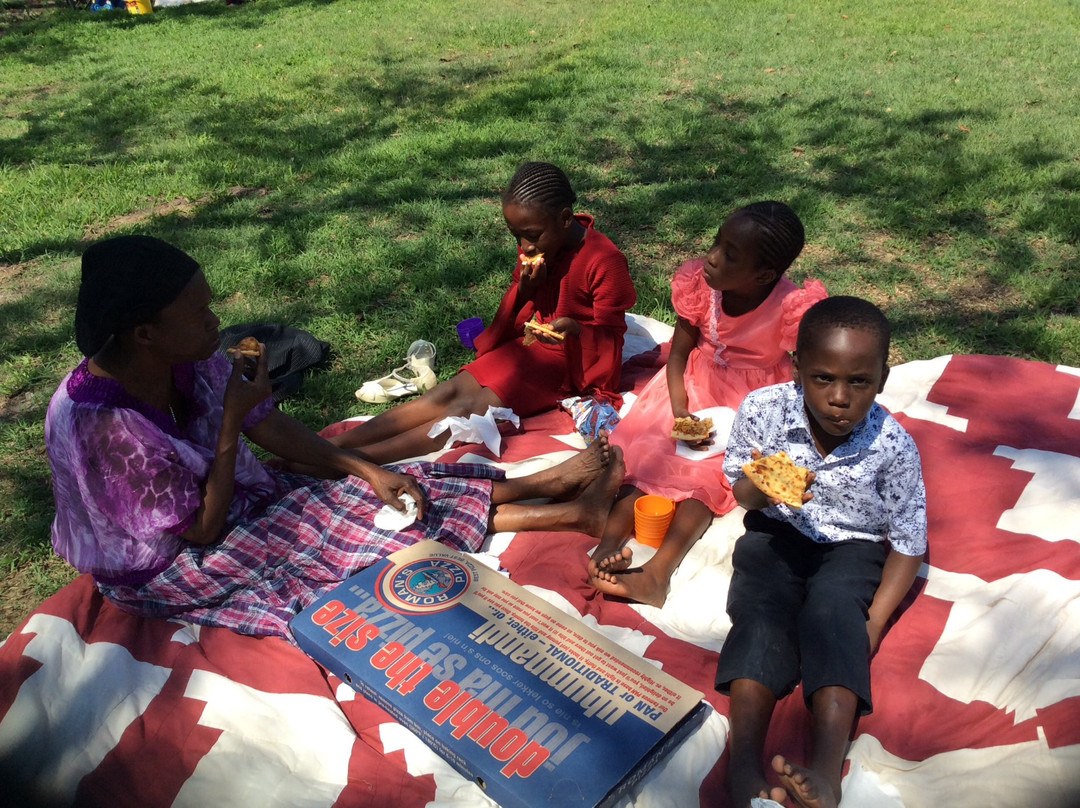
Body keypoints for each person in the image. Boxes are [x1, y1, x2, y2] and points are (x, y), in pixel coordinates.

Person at [45, 236, 625, 641]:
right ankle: (565, 512)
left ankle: (550, 493)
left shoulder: (187, 360)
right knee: (356, 545)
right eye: (199, 313)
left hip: (230, 503)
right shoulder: (103, 428)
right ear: (145, 335)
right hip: (170, 565)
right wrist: (229, 426)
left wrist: (364, 468)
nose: (215, 321)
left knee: (373, 491)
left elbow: (268, 425)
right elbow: (200, 529)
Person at [715, 296, 927, 808]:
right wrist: (763, 489)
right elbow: (740, 489)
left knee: (835, 617)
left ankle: (827, 772)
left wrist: (873, 622)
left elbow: (908, 541)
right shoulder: (763, 412)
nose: (839, 398)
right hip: (777, 531)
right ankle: (742, 764)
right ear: (797, 369)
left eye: (859, 382)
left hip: (852, 546)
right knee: (759, 613)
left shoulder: (893, 445)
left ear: (882, 379)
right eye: (822, 379)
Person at [588, 201, 827, 607]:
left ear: (763, 275)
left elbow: (802, 375)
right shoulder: (700, 287)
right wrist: (680, 410)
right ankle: (606, 547)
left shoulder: (790, 309)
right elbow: (678, 355)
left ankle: (658, 572)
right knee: (647, 455)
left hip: (749, 403)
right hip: (692, 386)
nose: (712, 257)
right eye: (717, 243)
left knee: (707, 478)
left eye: (729, 254)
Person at [329, 161, 637, 464]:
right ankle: (331, 446)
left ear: (566, 219)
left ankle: (349, 461)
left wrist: (576, 330)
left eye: (531, 235)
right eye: (516, 236)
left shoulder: (604, 260)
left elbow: (610, 340)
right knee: (445, 393)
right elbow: (515, 311)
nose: (525, 247)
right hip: (528, 348)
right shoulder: (538, 242)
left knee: (467, 412)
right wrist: (526, 290)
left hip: (571, 362)